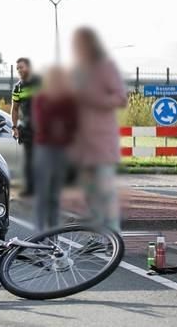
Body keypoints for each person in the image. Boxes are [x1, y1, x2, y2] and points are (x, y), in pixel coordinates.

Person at [70, 27, 127, 232]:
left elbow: (121, 98)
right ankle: (98, 236)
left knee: (105, 191)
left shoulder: (106, 67)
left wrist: (96, 100)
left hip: (103, 142)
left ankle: (113, 237)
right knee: (89, 192)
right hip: (83, 143)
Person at [31, 66, 78, 230]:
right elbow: (42, 123)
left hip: (58, 149)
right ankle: (39, 238)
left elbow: (73, 124)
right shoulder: (43, 98)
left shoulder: (67, 99)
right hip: (46, 148)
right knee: (43, 194)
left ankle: (52, 237)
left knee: (54, 196)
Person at [10, 57, 41, 196]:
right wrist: (14, 127)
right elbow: (15, 108)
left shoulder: (39, 82)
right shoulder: (18, 87)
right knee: (29, 158)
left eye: (21, 67)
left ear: (28, 67)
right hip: (27, 127)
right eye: (17, 68)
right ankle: (31, 189)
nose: (19, 70)